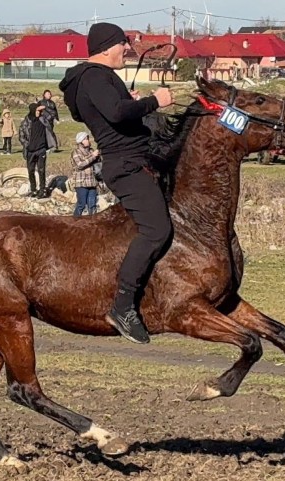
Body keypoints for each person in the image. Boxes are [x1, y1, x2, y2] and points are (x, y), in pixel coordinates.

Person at [59, 22, 174, 343]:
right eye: (124, 44)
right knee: (157, 229)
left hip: (130, 161)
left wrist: (128, 100)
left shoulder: (88, 79)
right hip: (127, 165)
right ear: (108, 46)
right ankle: (122, 305)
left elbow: (92, 113)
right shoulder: (95, 76)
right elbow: (115, 112)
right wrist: (153, 101)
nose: (127, 49)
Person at [20, 103, 49, 197]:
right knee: (31, 170)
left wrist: (42, 107)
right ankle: (33, 189)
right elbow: (21, 136)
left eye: (40, 111)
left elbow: (51, 115)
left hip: (41, 149)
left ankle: (42, 190)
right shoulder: (26, 122)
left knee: (41, 170)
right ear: (33, 111)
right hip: (30, 151)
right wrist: (27, 145)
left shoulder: (43, 119)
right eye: (37, 111)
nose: (39, 113)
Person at [71, 131, 101, 216]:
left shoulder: (91, 151)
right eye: (86, 139)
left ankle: (93, 224)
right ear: (81, 141)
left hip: (92, 182)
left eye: (87, 138)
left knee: (92, 205)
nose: (88, 140)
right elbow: (80, 165)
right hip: (81, 183)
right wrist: (93, 156)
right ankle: (74, 223)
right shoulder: (76, 152)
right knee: (81, 204)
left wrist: (98, 156)